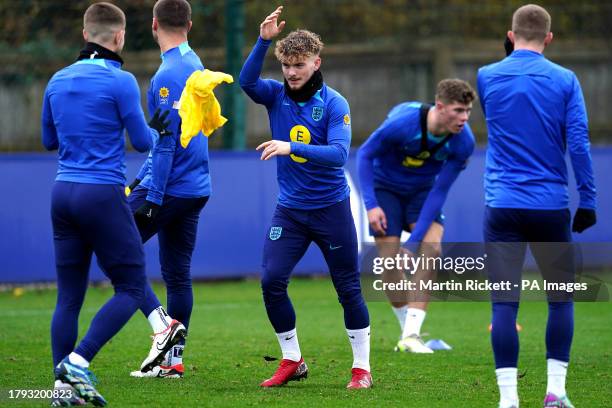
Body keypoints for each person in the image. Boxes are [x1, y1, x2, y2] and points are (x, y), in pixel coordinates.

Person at [41, 2, 172, 406]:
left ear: (84, 34)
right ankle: (78, 364)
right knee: (132, 287)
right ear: (119, 37)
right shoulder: (122, 81)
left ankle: (63, 391)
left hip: (63, 193)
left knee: (68, 298)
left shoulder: (57, 80)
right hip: (102, 193)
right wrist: (159, 128)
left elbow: (49, 141)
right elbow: (141, 141)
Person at [239, 6, 372, 389]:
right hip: (291, 212)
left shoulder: (334, 104)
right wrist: (263, 42)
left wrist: (290, 147)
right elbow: (247, 82)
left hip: (331, 210)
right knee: (271, 280)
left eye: (299, 65)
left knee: (347, 289)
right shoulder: (276, 95)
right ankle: (292, 360)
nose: (291, 72)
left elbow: (338, 155)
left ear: (317, 62)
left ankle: (361, 369)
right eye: (286, 65)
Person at [477, 4, 596, 408]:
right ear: (549, 38)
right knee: (561, 299)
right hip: (550, 205)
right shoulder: (565, 79)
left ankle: (508, 400)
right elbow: (577, 144)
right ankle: (555, 393)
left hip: (502, 205)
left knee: (504, 303)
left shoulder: (487, 76)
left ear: (510, 36)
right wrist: (589, 199)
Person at [357, 79, 476, 353]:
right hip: (384, 188)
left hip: (423, 192)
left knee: (431, 248)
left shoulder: (463, 141)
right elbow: (364, 155)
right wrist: (371, 205)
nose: (464, 118)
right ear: (440, 106)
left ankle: (411, 336)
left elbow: (440, 191)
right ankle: (407, 332)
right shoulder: (403, 123)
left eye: (468, 111)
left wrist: (415, 241)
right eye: (458, 110)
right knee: (389, 261)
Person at [125, 0, 210, 379]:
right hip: (195, 185)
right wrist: (140, 179)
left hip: (171, 187)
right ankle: (172, 364)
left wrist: (152, 196)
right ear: (190, 24)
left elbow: (164, 143)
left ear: (154, 24)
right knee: (177, 274)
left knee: (116, 251)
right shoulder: (196, 65)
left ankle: (162, 328)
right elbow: (180, 134)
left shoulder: (166, 74)